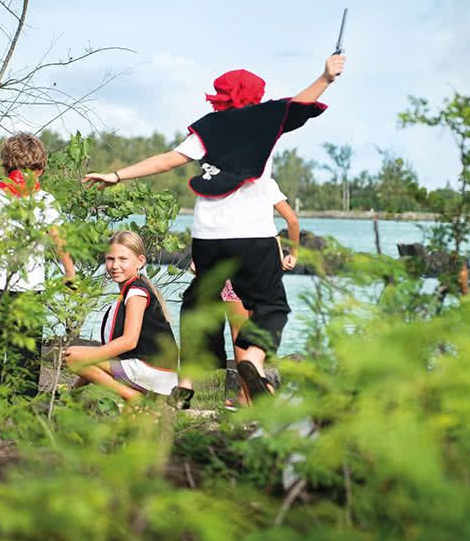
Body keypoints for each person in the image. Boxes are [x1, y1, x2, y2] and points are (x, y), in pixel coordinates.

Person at [84, 53, 344, 404]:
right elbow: (300, 101)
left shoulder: (208, 126)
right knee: (271, 305)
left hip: (208, 235)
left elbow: (166, 160)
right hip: (252, 235)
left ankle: (187, 385)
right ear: (256, 95)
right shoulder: (265, 117)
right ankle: (252, 361)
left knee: (198, 307)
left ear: (219, 97)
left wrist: (116, 175)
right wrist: (326, 76)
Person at [0, 133, 76, 397]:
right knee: (18, 361)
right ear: (42, 169)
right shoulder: (41, 199)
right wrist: (70, 272)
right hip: (18, 289)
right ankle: (12, 419)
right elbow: (58, 238)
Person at [64, 231, 180, 402]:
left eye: (123, 259)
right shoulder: (131, 290)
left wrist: (86, 358)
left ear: (140, 261)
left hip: (153, 371)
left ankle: (133, 398)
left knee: (73, 356)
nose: (115, 265)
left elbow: (129, 341)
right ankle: (71, 397)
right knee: (82, 356)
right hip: (157, 372)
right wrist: (73, 391)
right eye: (110, 259)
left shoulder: (136, 293)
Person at [219, 179, 300, 408]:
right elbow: (292, 221)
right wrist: (292, 253)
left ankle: (250, 397)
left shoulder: (223, 183)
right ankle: (253, 396)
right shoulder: (266, 182)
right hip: (267, 260)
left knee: (238, 333)